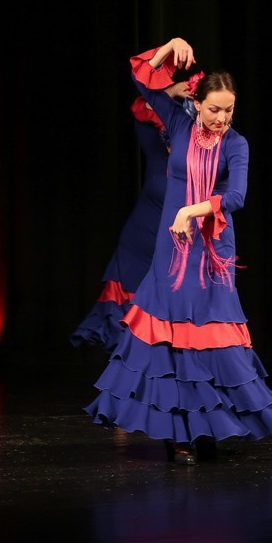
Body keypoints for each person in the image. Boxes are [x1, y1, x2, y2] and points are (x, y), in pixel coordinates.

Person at [85, 37, 272, 463]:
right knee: (170, 339)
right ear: (196, 103)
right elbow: (141, 76)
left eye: (229, 110)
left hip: (212, 249)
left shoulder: (236, 144)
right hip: (172, 249)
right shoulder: (178, 124)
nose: (222, 118)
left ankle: (209, 427)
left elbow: (235, 196)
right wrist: (171, 45)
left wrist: (191, 211)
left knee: (209, 339)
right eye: (214, 109)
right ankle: (178, 432)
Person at [70, 82, 192, 353]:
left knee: (170, 319)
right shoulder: (156, 149)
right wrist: (171, 92)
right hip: (140, 239)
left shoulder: (202, 156)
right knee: (129, 319)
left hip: (178, 242)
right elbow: (142, 108)